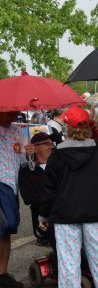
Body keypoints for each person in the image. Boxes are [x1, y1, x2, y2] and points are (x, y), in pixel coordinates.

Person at [38, 106, 98, 288]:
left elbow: (49, 189)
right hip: (96, 213)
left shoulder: (57, 155)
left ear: (67, 127)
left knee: (69, 264)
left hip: (65, 216)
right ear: (88, 126)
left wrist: (43, 214)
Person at [0, 111, 25, 288]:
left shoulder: (18, 131)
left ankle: (2, 273)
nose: (15, 115)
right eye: (10, 112)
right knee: (5, 225)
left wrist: (29, 153)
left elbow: (23, 161)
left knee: (8, 230)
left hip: (12, 187)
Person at [18, 132, 54, 246]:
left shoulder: (60, 166)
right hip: (45, 218)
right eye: (47, 143)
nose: (52, 146)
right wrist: (53, 196)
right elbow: (28, 198)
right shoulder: (27, 172)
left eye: (52, 143)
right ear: (35, 147)